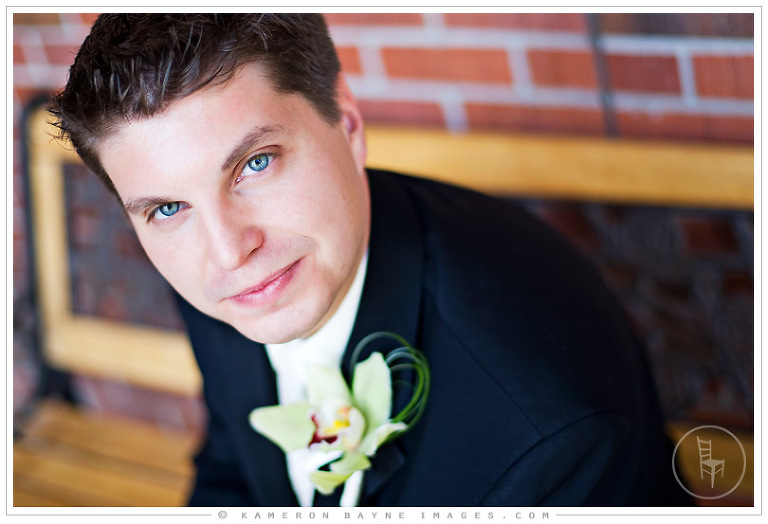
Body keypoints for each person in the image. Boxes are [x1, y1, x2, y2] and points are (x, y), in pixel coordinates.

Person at [50, 13, 689, 507]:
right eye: (165, 208)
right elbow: (232, 463)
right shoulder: (222, 266)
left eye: (255, 163)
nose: (226, 251)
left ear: (348, 125)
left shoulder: (551, 440)